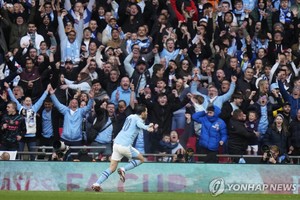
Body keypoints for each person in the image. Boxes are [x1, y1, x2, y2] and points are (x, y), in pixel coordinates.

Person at [91, 104, 158, 192]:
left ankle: (97, 183)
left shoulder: (130, 116)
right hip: (125, 146)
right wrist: (147, 128)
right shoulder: (139, 120)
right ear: (142, 113)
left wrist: (148, 126)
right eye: (146, 111)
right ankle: (123, 169)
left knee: (112, 167)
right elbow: (139, 124)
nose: (147, 113)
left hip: (116, 144)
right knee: (141, 159)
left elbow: (134, 125)